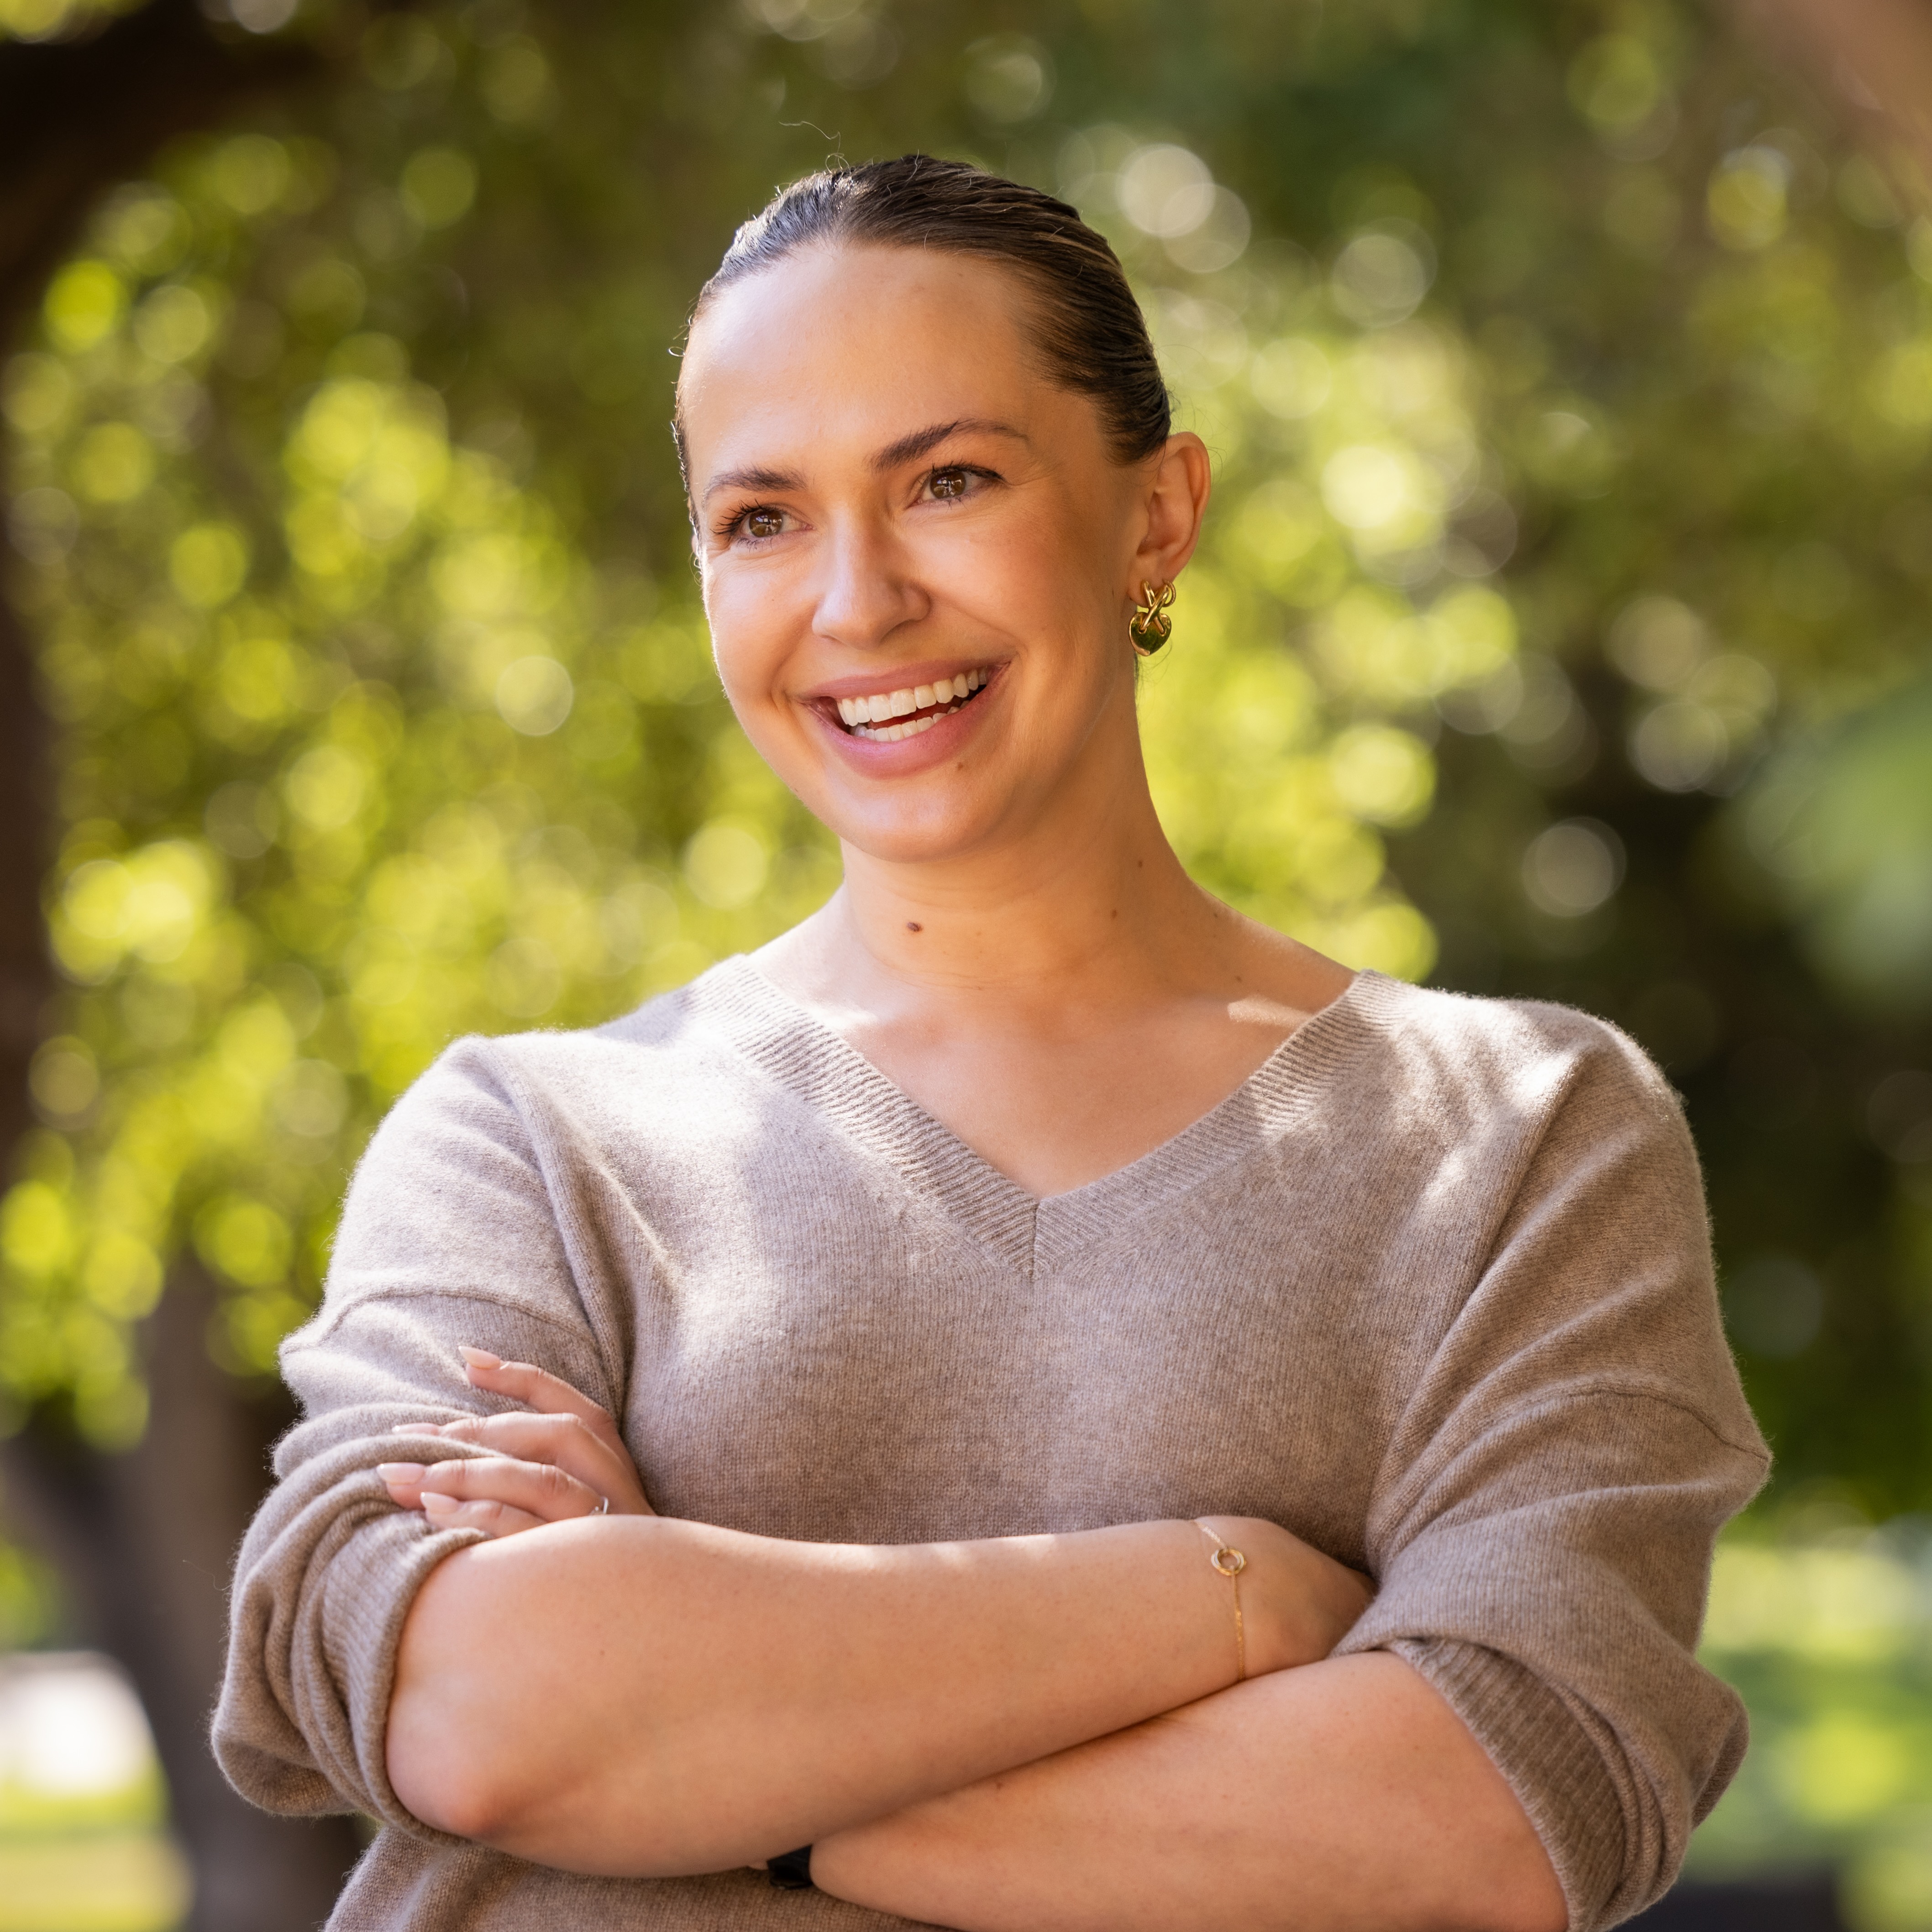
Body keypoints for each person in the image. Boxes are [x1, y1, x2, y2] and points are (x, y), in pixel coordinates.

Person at [215, 156, 1769, 1932]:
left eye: (946, 479)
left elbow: (1490, 1807)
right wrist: (1232, 1594)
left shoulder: (1513, 1136)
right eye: (761, 518)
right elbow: (486, 1711)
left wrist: (711, 1754)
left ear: (1154, 516)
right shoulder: (529, 1139)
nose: (856, 601)